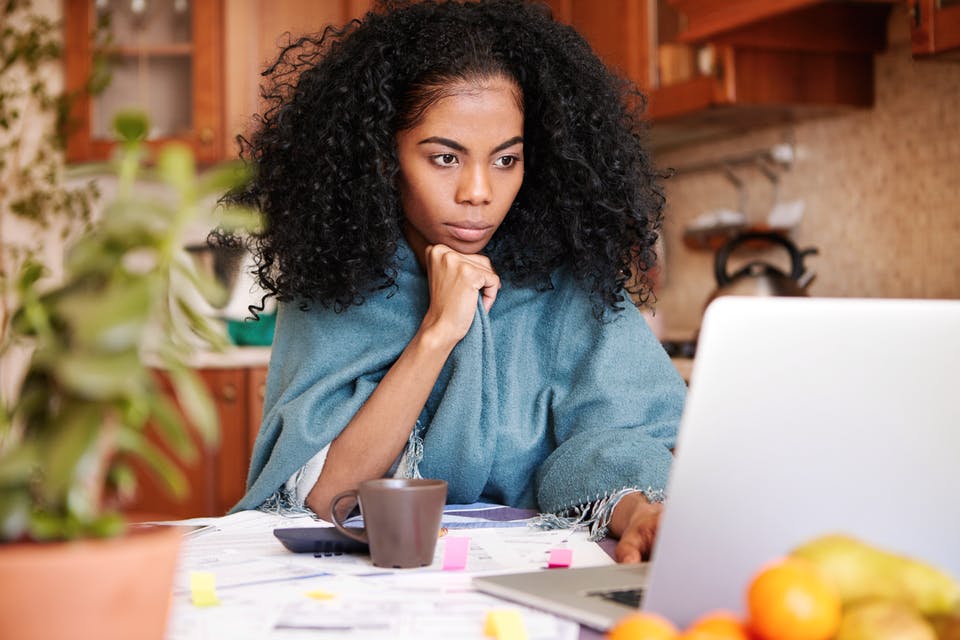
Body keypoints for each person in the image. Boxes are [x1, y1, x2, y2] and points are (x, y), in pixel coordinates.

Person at [227, 0, 686, 564]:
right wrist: (439, 330)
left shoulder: (566, 283)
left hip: (526, 581)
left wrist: (641, 514)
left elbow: (614, 445)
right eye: (445, 158)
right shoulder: (337, 281)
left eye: (506, 160)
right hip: (369, 588)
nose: (478, 191)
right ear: (382, 159)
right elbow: (321, 498)